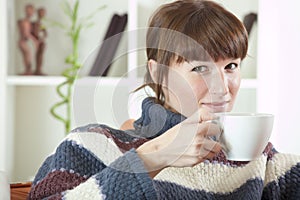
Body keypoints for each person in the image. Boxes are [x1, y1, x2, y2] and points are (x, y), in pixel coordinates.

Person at [28, 1, 300, 199]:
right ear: (158, 72)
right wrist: (151, 158)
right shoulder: (92, 146)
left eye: (231, 66)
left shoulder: (261, 159)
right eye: (199, 68)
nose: (222, 87)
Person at [17, 4, 39, 75]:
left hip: (24, 42)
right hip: (23, 42)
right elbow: (26, 33)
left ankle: (28, 70)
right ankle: (27, 70)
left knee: (28, 55)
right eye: (30, 11)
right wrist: (34, 40)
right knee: (28, 56)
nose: (32, 13)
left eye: (32, 11)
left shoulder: (28, 22)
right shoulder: (25, 22)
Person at [31, 7, 47, 75]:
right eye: (42, 12)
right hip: (38, 42)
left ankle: (39, 70)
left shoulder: (42, 23)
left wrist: (43, 37)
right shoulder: (36, 23)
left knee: (41, 57)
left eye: (44, 13)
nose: (43, 14)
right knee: (38, 56)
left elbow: (45, 32)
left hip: (41, 42)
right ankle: (37, 70)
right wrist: (37, 39)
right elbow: (34, 32)